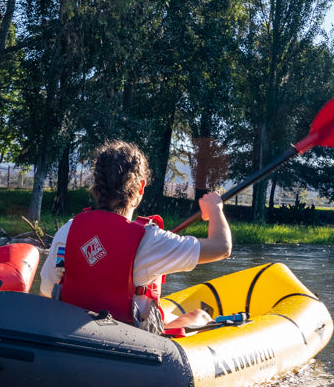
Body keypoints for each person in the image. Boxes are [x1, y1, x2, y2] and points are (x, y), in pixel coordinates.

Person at [39, 140, 232, 332]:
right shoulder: (151, 240)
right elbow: (222, 247)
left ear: (97, 186)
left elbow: (47, 292)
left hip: (71, 332)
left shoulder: (69, 230)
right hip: (131, 340)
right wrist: (215, 209)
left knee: (167, 312)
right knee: (201, 316)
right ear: (140, 187)